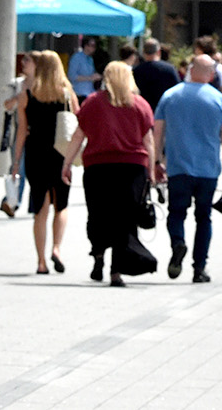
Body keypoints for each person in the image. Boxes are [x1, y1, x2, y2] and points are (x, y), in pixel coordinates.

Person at [62, 60, 155, 286]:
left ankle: (98, 256)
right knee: (125, 220)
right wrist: (151, 170)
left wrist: (66, 164)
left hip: (98, 167)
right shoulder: (140, 105)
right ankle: (116, 271)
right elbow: (148, 141)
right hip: (132, 168)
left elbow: (77, 136)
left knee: (98, 214)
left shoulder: (93, 103)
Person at [152, 55, 222, 284]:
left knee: (176, 212)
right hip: (208, 169)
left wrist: (155, 162)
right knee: (204, 218)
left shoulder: (170, 96)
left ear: (190, 70)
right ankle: (199, 268)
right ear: (212, 75)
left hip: (178, 167)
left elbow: (157, 133)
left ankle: (178, 242)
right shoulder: (220, 101)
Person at [15, 49, 77, 274]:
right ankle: (57, 248)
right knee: (61, 206)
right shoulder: (66, 93)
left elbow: (22, 130)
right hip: (60, 153)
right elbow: (77, 124)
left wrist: (15, 163)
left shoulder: (28, 94)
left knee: (40, 208)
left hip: (35, 153)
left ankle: (41, 261)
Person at [0, 51, 36, 218]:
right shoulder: (17, 84)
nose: (24, 62)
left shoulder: (44, 84)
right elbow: (6, 105)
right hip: (20, 130)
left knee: (34, 170)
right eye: (24, 59)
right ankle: (12, 202)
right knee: (17, 166)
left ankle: (34, 205)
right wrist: (19, 97)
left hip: (38, 132)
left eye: (28, 60)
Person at [132, 38, 178, 108]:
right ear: (159, 52)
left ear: (144, 52)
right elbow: (176, 90)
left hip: (143, 110)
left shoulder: (136, 71)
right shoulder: (169, 69)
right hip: (164, 110)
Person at [69, 37, 100, 102]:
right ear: (85, 45)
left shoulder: (90, 59)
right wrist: (90, 78)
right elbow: (72, 76)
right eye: (90, 45)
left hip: (89, 93)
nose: (92, 48)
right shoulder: (76, 57)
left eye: (94, 46)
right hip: (79, 94)